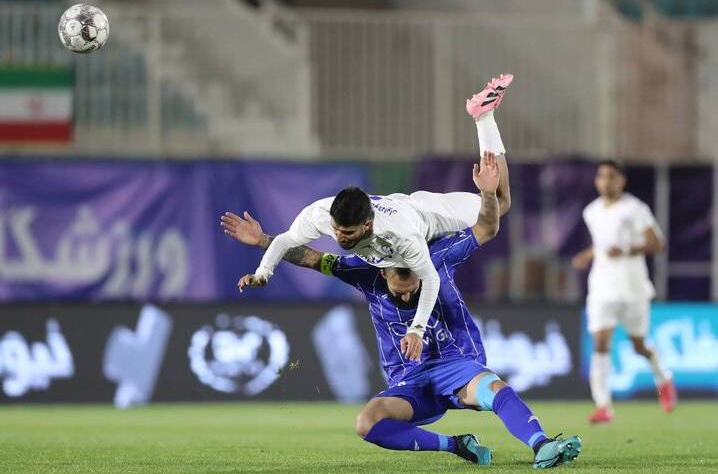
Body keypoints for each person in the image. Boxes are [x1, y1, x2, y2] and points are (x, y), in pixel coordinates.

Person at [221, 153, 582, 469]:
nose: (408, 295)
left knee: (493, 387)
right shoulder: (364, 271)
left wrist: (488, 193)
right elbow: (312, 257)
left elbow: (488, 225)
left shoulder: (436, 257)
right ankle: (457, 445)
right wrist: (264, 242)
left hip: (455, 364)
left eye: (414, 288)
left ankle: (542, 445)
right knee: (366, 423)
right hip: (409, 379)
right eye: (401, 288)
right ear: (382, 271)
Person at [237, 74, 514, 365]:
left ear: (367, 226)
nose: (340, 238)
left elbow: (431, 279)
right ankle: (484, 115)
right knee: (497, 204)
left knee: (499, 202)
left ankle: (483, 117)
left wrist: (416, 330)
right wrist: (263, 272)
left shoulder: (402, 238)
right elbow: (287, 240)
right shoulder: (318, 215)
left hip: (425, 214)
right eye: (337, 230)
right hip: (395, 210)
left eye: (347, 233)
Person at [572, 160, 677, 424]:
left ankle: (663, 379)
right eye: (601, 176)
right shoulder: (591, 211)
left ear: (622, 181)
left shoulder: (635, 208)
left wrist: (628, 250)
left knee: (638, 346)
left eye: (611, 176)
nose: (606, 181)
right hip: (601, 286)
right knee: (600, 343)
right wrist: (588, 254)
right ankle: (603, 406)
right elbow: (602, 244)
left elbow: (657, 243)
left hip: (633, 287)